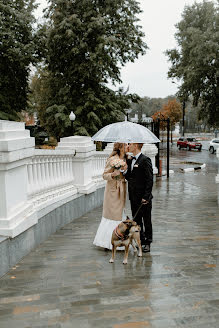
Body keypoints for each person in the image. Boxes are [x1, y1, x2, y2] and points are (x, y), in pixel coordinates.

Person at [93, 143, 128, 249]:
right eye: (126, 145)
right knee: (112, 215)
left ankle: (120, 240)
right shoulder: (112, 159)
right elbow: (104, 175)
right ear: (121, 148)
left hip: (122, 189)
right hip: (112, 191)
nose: (127, 147)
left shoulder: (127, 159)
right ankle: (107, 242)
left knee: (120, 214)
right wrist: (112, 175)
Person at [125, 143, 153, 252]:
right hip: (133, 197)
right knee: (137, 221)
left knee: (146, 220)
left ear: (136, 146)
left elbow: (150, 180)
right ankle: (140, 240)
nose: (128, 146)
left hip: (144, 198)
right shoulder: (130, 160)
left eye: (130, 144)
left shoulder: (145, 160)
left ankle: (148, 242)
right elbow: (129, 177)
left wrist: (146, 197)